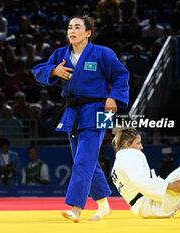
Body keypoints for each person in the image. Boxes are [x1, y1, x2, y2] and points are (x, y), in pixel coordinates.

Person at [32, 15, 129, 223]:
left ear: (88, 33)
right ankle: (104, 206)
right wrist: (53, 70)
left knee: (83, 160)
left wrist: (113, 97)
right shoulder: (60, 54)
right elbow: (38, 71)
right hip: (73, 111)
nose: (72, 31)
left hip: (100, 109)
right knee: (85, 160)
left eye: (77, 27)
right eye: (69, 27)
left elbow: (121, 75)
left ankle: (76, 208)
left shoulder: (102, 53)